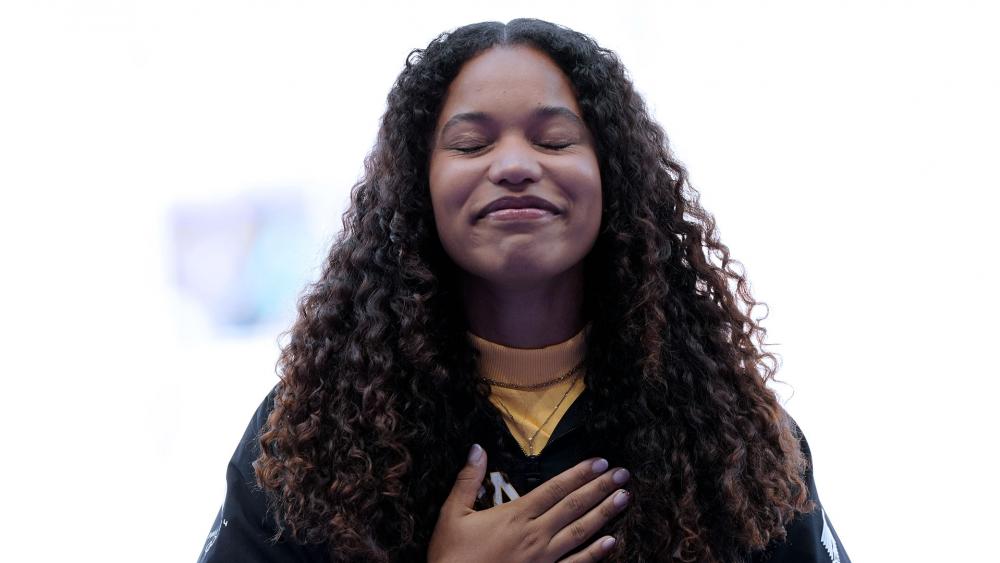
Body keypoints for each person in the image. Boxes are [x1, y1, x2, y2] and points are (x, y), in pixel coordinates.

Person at [198, 18, 851, 563]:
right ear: (417, 189)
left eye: (554, 138)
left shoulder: (732, 434)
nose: (513, 165)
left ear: (612, 176)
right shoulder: (314, 438)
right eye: (472, 142)